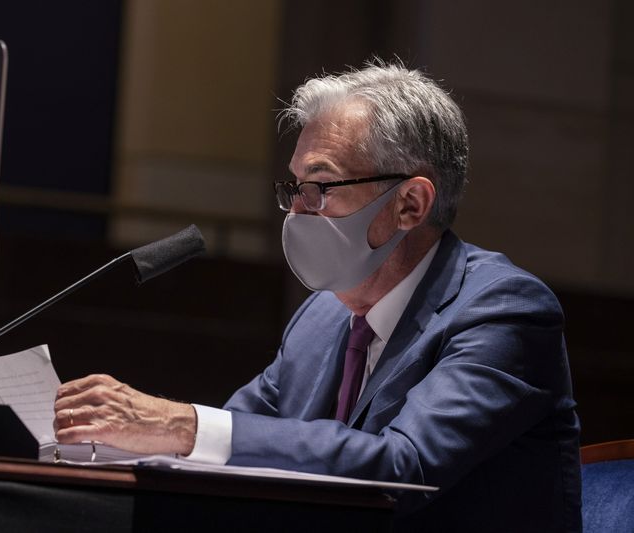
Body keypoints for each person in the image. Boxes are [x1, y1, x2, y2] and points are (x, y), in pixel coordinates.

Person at [54, 62, 581, 531]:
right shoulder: (321, 318)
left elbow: (403, 468)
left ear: (411, 205)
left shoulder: (504, 311)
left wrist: (180, 425)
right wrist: (123, 439)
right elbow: (234, 441)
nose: (296, 211)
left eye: (320, 187)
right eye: (294, 187)